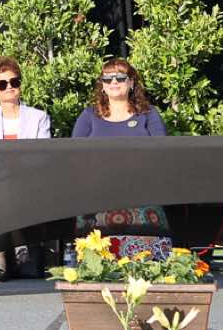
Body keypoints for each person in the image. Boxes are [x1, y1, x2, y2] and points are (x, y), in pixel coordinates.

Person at [70, 56, 173, 259]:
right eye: (108, 78)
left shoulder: (148, 114)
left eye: (120, 77)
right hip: (97, 200)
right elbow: (74, 157)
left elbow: (163, 153)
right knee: (97, 268)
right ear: (102, 85)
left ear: (131, 82)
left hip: (143, 198)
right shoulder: (88, 116)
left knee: (150, 268)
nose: (114, 82)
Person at [0, 57, 51, 282]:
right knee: (0, 187)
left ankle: (0, 257)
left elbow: (42, 155)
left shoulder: (38, 117)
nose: (9, 87)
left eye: (14, 82)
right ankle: (17, 245)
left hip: (29, 180)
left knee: (8, 187)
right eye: (2, 84)